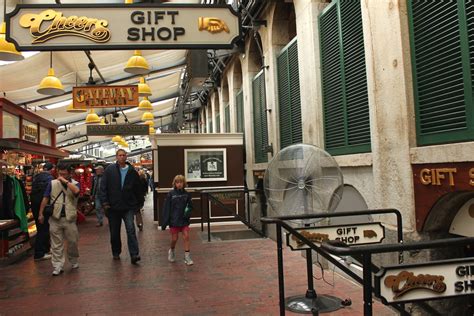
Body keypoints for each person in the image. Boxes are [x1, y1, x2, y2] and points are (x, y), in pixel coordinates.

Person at [100, 149, 143, 264]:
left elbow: (137, 188)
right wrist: (105, 203)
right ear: (116, 157)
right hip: (113, 208)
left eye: (124, 155)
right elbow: (103, 187)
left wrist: (139, 203)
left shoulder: (132, 171)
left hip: (128, 207)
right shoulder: (110, 170)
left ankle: (134, 254)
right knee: (114, 232)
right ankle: (116, 252)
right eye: (120, 155)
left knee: (131, 230)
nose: (122, 157)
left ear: (126, 156)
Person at [38, 164, 80, 276]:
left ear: (69, 173)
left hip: (69, 218)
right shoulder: (52, 183)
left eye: (64, 174)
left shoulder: (75, 184)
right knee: (56, 244)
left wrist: (65, 182)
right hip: (55, 217)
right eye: (60, 174)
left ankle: (73, 259)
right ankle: (57, 266)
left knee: (72, 241)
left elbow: (76, 192)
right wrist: (41, 213)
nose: (61, 176)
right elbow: (46, 198)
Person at [161, 175, 194, 266]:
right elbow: (166, 208)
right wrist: (164, 222)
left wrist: (188, 212)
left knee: (186, 236)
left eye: (181, 182)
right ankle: (171, 250)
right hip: (174, 220)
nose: (179, 184)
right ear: (174, 184)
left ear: (184, 183)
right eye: (177, 182)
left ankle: (187, 256)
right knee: (174, 239)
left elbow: (190, 206)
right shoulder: (171, 194)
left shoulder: (187, 194)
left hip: (184, 219)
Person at [30, 162, 54, 261]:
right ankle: (39, 253)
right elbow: (48, 196)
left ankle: (45, 250)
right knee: (43, 230)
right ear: (52, 169)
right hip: (44, 207)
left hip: (35, 207)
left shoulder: (35, 178)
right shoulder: (50, 179)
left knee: (41, 228)